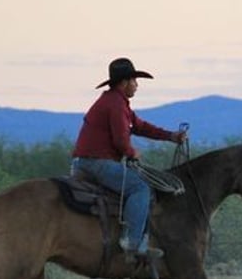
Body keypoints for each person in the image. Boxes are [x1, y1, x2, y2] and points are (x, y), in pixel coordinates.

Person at [71, 58, 187, 263]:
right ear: (124, 82)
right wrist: (132, 152)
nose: (137, 85)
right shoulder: (115, 104)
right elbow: (120, 140)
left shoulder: (117, 103)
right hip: (96, 163)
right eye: (134, 80)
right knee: (141, 187)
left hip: (88, 161)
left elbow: (140, 126)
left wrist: (171, 136)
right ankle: (133, 244)